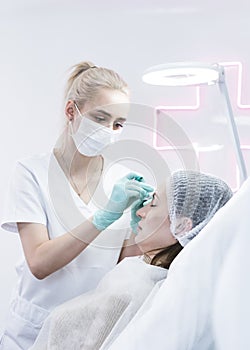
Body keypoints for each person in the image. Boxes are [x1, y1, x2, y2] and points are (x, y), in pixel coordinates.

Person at [0, 61, 153, 350]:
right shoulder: (31, 173)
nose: (109, 130)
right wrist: (104, 216)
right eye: (100, 118)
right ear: (72, 111)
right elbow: (40, 263)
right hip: (31, 334)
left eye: (118, 124)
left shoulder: (119, 180)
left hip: (89, 332)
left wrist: (139, 230)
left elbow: (116, 265)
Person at [29, 170, 233, 350]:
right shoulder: (177, 284)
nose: (140, 212)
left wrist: (105, 217)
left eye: (153, 204)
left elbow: (63, 326)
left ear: (182, 227)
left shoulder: (131, 297)